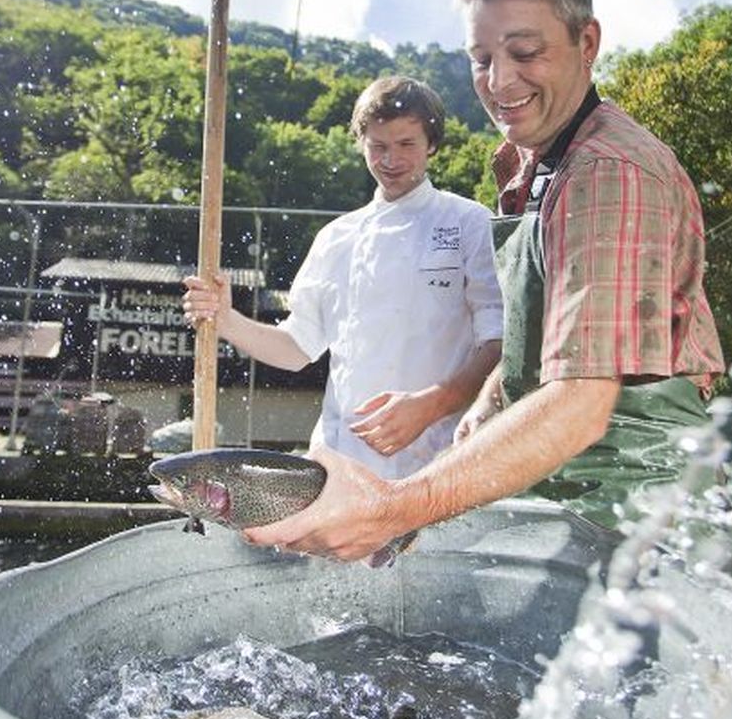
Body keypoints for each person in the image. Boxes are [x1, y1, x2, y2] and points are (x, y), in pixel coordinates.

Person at [242, 0, 724, 561]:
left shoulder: (608, 174)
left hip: (638, 512)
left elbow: (581, 403)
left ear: (587, 43)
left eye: (526, 52)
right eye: (480, 59)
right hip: (566, 491)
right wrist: (492, 397)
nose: (499, 83)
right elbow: (551, 335)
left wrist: (392, 510)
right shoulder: (536, 170)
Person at [182, 75, 503, 478]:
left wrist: (431, 405)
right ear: (361, 144)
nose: (391, 160)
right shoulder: (336, 238)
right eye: (379, 146)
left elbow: (498, 343)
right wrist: (227, 320)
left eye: (407, 144)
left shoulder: (469, 222)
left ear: (432, 144)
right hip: (341, 462)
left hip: (442, 462)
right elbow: (298, 348)